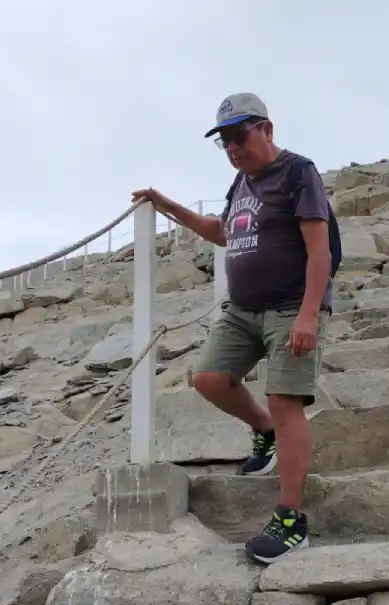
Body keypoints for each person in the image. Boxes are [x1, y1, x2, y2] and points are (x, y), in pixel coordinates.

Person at [131, 93, 333, 564]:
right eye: (224, 141)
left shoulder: (299, 173)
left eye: (239, 136)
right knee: (208, 379)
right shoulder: (241, 182)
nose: (233, 148)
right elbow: (223, 232)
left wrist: (307, 316)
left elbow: (319, 250)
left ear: (267, 129)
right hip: (241, 310)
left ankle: (290, 519)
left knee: (285, 400)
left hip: (289, 306)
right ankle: (262, 430)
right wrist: (167, 206)